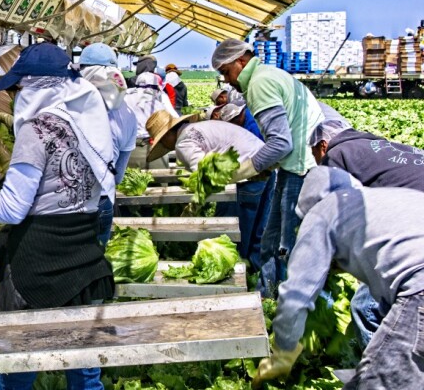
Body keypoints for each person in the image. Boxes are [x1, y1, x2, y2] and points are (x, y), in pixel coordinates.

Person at [0, 43, 115, 390]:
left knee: (17, 364)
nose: (15, 97)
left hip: (38, 267)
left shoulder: (35, 131)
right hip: (83, 257)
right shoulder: (88, 122)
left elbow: (12, 209)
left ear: (36, 86)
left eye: (18, 90)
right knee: (83, 367)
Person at [254, 167, 424, 389]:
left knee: (376, 381)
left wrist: (283, 354)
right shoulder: (381, 200)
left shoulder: (321, 214)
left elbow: (296, 295)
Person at [211, 39, 323, 297]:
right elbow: (288, 133)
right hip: (297, 165)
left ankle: (289, 305)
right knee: (272, 240)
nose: (227, 80)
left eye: (226, 72)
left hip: (300, 169)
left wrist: (246, 169)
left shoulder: (260, 82)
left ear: (241, 61)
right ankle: (267, 294)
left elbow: (281, 142)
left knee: (285, 245)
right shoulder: (270, 74)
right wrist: (269, 165)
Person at [309, 119, 424, 347]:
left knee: (366, 307)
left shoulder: (335, 156)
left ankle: (387, 378)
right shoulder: (374, 146)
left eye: (314, 154)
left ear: (322, 146)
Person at [146, 111, 273, 267]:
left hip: (245, 177)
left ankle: (235, 269)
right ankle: (256, 269)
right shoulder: (198, 128)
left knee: (233, 231)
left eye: (163, 142)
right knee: (259, 228)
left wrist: (192, 207)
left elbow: (204, 176)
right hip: (265, 166)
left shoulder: (183, 143)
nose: (165, 146)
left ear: (167, 136)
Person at [79, 43, 138, 245]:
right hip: (102, 199)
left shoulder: (67, 103)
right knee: (95, 261)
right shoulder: (128, 115)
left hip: (64, 202)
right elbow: (118, 175)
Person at [126, 73, 178, 169]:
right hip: (153, 151)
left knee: (128, 181)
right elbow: (174, 120)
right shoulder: (158, 104)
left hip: (127, 151)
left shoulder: (124, 99)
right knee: (160, 180)